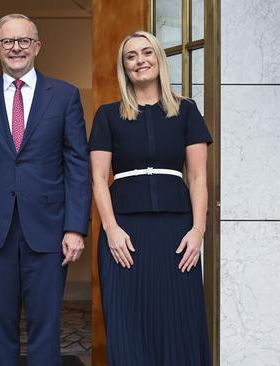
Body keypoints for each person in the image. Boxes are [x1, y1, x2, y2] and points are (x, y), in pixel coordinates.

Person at [0, 14, 91, 366]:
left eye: (23, 41)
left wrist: (75, 227)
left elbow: (78, 165)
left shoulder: (64, 96)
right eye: (7, 42)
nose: (16, 47)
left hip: (49, 227)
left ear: (37, 46)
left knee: (46, 324)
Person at [88, 31, 212, 365]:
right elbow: (99, 178)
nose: (140, 60)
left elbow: (198, 176)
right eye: (131, 56)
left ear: (159, 59)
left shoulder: (186, 111)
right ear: (123, 67)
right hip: (124, 234)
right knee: (129, 321)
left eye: (147, 53)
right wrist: (111, 229)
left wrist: (198, 230)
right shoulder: (107, 115)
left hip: (177, 233)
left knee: (179, 320)